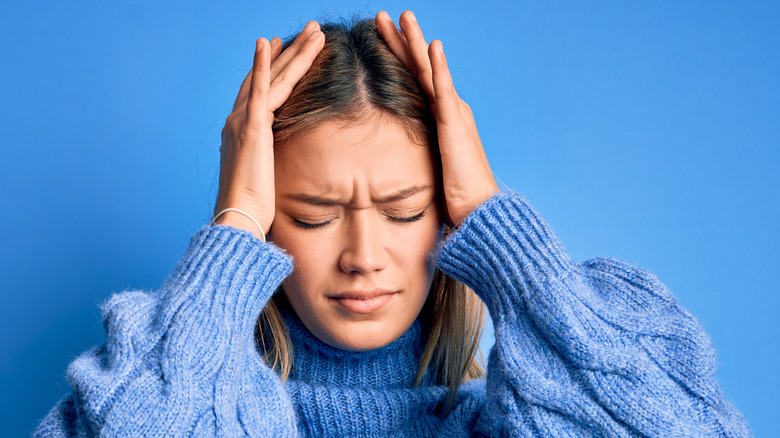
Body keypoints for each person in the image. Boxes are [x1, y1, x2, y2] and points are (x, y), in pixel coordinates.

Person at [35, 10, 752, 437]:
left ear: (444, 221)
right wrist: (233, 226)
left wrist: (508, 243)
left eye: (405, 211)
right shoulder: (146, 398)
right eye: (314, 217)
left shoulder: (506, 428)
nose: (363, 256)